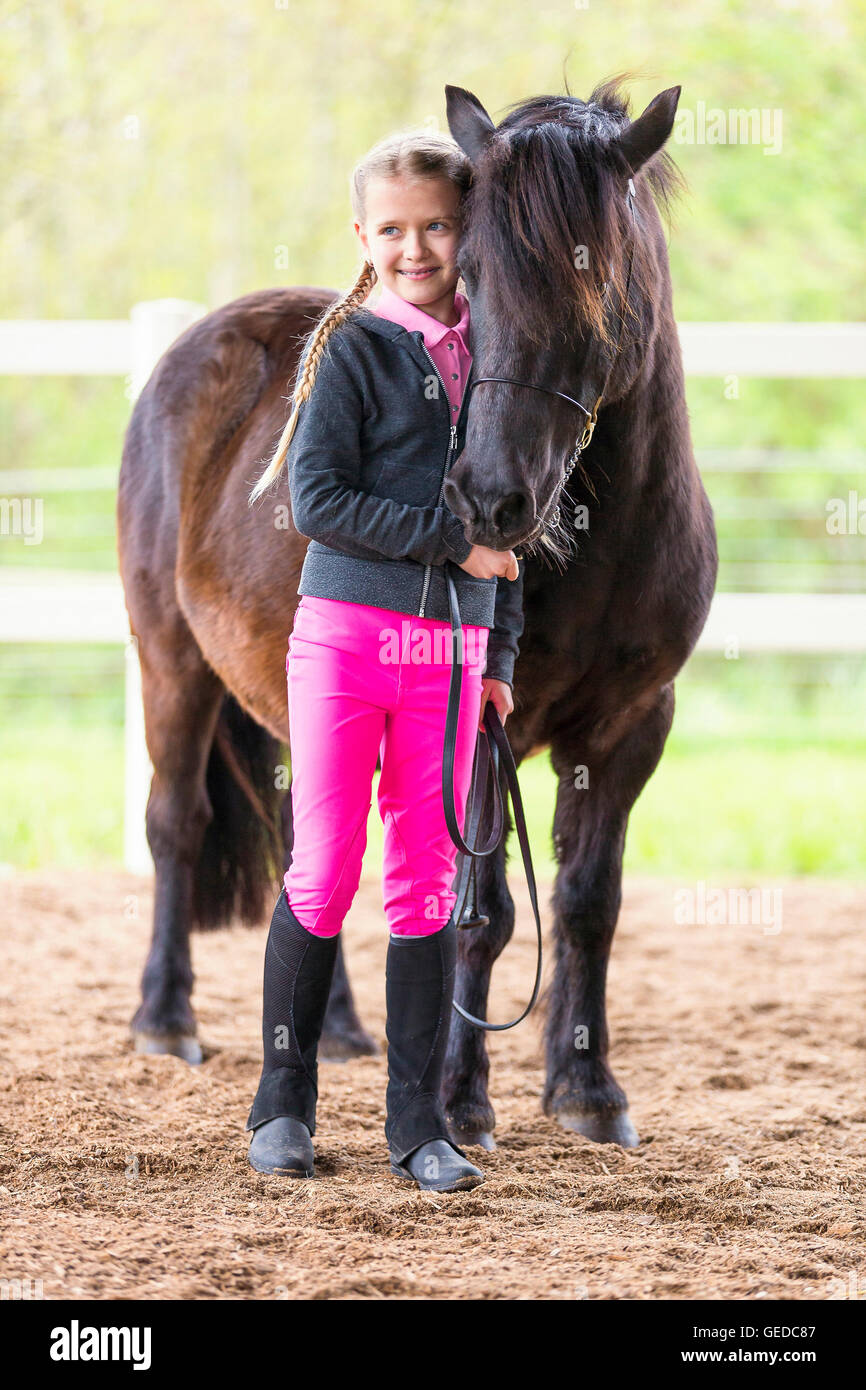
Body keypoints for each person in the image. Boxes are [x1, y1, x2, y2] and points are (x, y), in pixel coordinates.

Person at [245, 127, 524, 1194]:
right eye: (393, 229)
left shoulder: (498, 358)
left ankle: (420, 1124)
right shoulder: (352, 351)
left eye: (437, 226)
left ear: (466, 233)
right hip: (347, 642)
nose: (416, 247)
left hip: (450, 658)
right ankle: (282, 1102)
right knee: (325, 868)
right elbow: (317, 502)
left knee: (427, 881)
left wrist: (497, 650)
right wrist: (449, 542)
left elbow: (514, 531)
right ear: (362, 236)